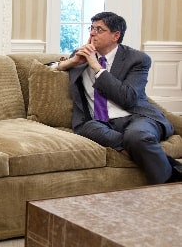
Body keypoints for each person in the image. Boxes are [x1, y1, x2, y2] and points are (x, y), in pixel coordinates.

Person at [55, 11, 181, 184]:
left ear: (116, 35)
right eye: (91, 28)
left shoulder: (138, 59)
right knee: (87, 129)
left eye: (99, 29)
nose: (92, 33)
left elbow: (128, 98)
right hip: (98, 123)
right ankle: (167, 165)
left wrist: (96, 67)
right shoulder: (80, 55)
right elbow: (49, 67)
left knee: (137, 137)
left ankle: (167, 186)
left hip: (136, 116)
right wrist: (72, 62)